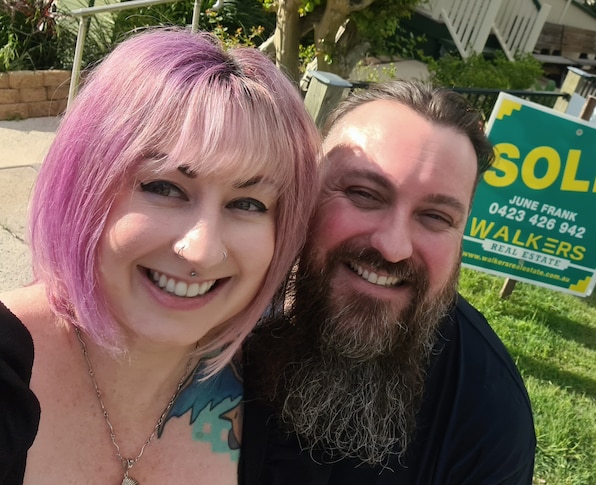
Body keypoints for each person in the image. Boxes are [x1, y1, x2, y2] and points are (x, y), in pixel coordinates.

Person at [0, 28, 319, 484]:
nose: (202, 251)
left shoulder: (284, 408)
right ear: (83, 187)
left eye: (247, 204)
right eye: (164, 187)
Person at [242, 80, 536, 484]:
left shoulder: (485, 413)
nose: (394, 246)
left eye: (436, 217)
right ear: (306, 184)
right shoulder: (214, 303)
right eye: (363, 194)